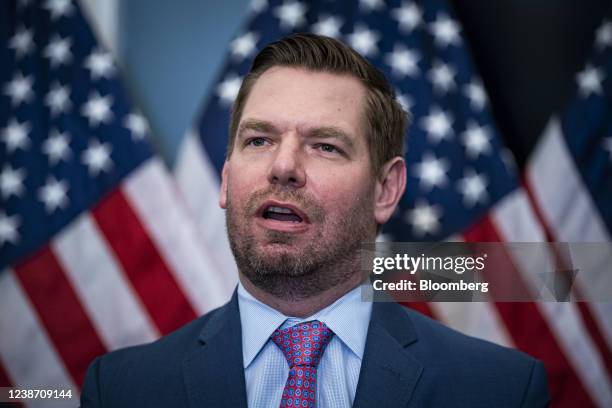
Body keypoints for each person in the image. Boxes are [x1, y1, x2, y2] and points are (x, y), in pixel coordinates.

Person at [81, 33, 549, 408]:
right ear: (225, 180)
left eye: (325, 145)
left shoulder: (501, 390)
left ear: (385, 190)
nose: (283, 166)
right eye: (259, 140)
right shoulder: (120, 389)